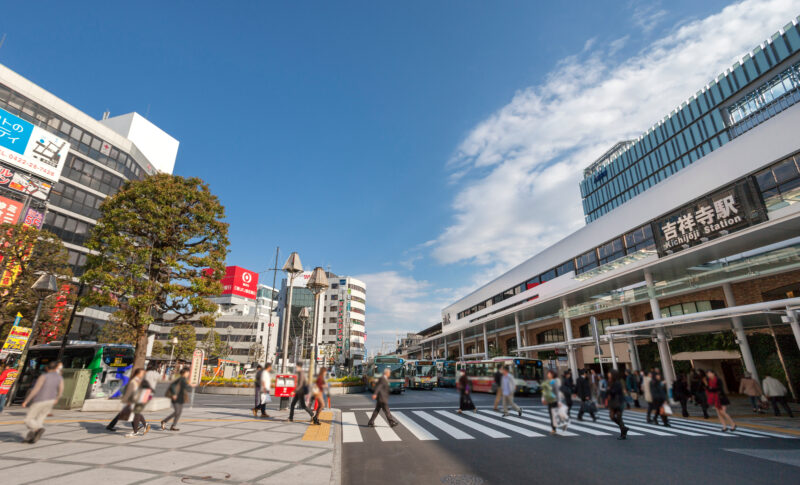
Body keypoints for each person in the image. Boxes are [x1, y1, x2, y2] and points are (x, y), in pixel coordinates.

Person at [21, 360, 63, 443]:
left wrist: (26, 400)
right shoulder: (59, 377)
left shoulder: (44, 376)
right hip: (51, 401)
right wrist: (57, 398)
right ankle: (31, 437)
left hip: (40, 400)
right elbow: (61, 390)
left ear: (47, 368)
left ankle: (38, 429)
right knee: (40, 419)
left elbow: (35, 389)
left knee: (28, 419)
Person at [607, 369, 629, 440]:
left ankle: (623, 434)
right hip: (613, 402)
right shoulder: (611, 381)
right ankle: (624, 428)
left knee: (619, 417)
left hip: (618, 402)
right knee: (612, 417)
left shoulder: (617, 382)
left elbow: (615, 392)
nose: (608, 374)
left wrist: (609, 390)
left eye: (610, 373)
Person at [540, 369, 559, 433]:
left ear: (552, 375)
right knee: (551, 414)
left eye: (549, 374)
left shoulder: (554, 382)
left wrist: (558, 401)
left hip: (554, 400)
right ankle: (554, 427)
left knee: (553, 414)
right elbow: (544, 391)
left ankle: (554, 428)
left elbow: (557, 392)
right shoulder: (547, 382)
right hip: (549, 400)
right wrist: (543, 399)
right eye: (548, 373)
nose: (548, 374)